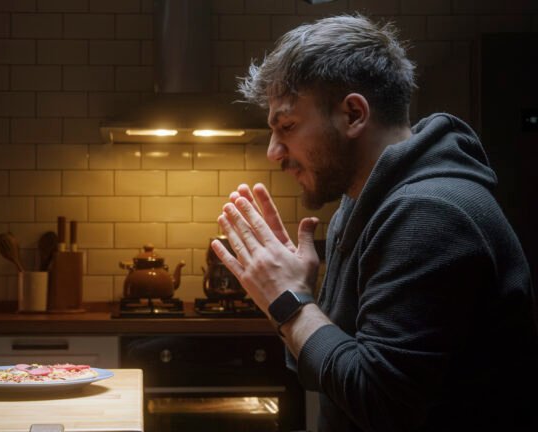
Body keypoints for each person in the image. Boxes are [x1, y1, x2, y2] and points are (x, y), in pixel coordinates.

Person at [211, 13, 538, 432]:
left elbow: (380, 403)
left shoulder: (429, 213)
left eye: (287, 126)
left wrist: (288, 302)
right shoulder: (361, 204)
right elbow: (327, 370)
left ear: (353, 114)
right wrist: (295, 298)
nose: (274, 151)